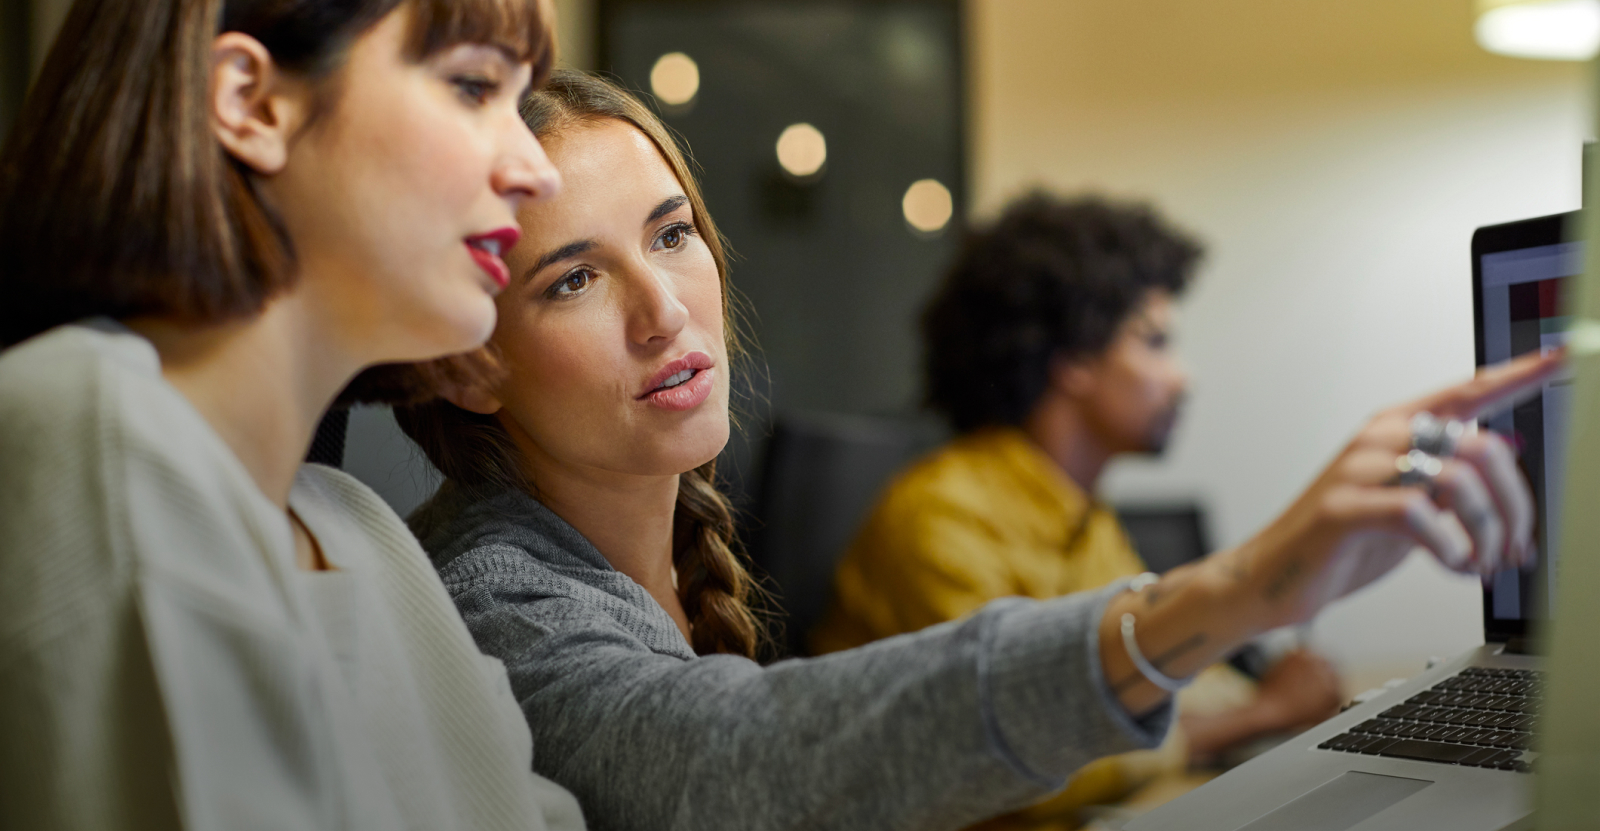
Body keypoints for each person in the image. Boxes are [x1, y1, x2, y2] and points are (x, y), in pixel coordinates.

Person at [397, 70, 1555, 831]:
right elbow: (732, 761)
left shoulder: (644, 554)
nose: (665, 311)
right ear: (468, 356)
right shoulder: (489, 598)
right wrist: (1244, 589)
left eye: (673, 232)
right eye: (575, 279)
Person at [0, 1, 585, 829]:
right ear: (250, 102)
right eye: (472, 86)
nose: (536, 168)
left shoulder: (364, 534)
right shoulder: (93, 429)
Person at [809, 194, 1342, 827]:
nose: (1182, 378)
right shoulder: (938, 517)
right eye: (1154, 343)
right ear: (1073, 361)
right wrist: (1265, 713)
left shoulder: (1084, 517)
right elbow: (1016, 755)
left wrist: (1272, 690)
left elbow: (1164, 676)